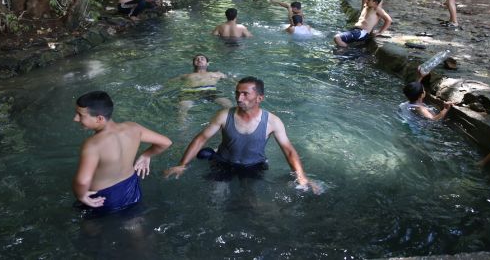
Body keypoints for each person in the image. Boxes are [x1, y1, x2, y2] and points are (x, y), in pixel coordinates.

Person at [163, 77, 317, 191]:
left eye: (245, 94)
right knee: (216, 200)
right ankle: (214, 153)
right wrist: (182, 165)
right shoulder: (224, 115)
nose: (238, 98)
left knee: (250, 202)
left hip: (253, 165)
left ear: (259, 98)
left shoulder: (272, 121)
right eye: (237, 93)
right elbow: (201, 139)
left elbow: (289, 150)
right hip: (223, 162)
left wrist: (301, 175)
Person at [73, 91, 172, 215]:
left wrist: (81, 196)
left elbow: (82, 181)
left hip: (103, 197)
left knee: (91, 226)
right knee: (133, 222)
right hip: (131, 187)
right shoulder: (133, 128)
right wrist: (147, 155)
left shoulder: (93, 144)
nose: (75, 119)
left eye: (80, 115)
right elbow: (166, 142)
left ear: (99, 118)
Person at [178, 54, 233, 119]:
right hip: (190, 92)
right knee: (182, 109)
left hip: (211, 92)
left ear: (207, 63)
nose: (199, 60)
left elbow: (231, 81)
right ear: (193, 64)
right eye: (197, 59)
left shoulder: (217, 74)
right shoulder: (185, 76)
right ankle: (183, 128)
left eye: (202, 59)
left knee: (228, 105)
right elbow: (170, 83)